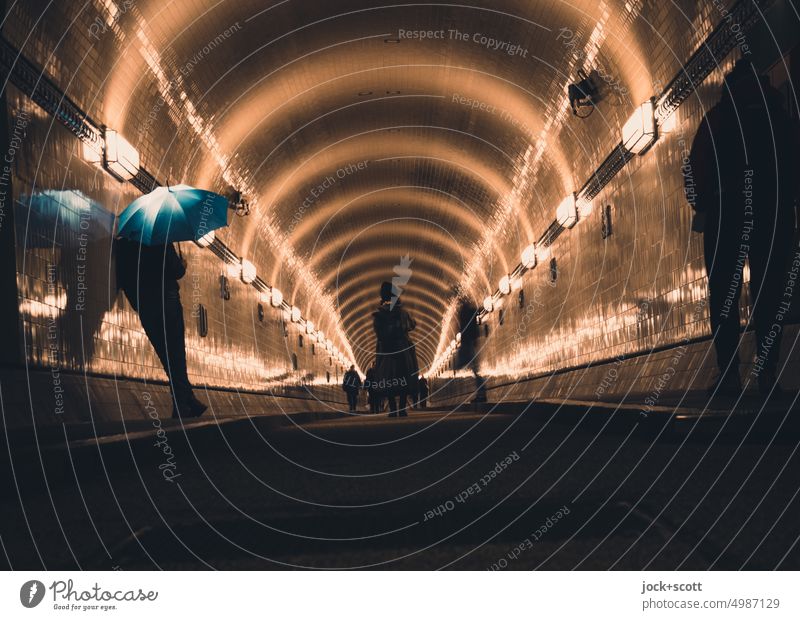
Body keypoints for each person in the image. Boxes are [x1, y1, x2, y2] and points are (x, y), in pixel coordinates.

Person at [686, 58, 800, 395]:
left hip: (727, 211)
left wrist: (703, 204)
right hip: (774, 211)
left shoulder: (718, 119)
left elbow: (696, 168)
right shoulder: (781, 118)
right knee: (770, 293)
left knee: (725, 294)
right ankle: (767, 375)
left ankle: (729, 374)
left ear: (728, 86)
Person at [116, 237, 207, 418]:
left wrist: (138, 303)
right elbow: (175, 269)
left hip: (146, 308)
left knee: (166, 355)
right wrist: (183, 264)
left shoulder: (124, 245)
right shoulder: (162, 238)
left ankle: (188, 399)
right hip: (167, 301)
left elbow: (123, 279)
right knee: (176, 354)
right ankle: (181, 404)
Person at [372, 281, 419, 417]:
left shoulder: (379, 315)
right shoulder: (403, 313)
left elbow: (378, 332)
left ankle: (392, 409)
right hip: (401, 347)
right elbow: (412, 325)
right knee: (404, 375)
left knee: (388, 377)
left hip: (386, 349)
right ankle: (402, 408)